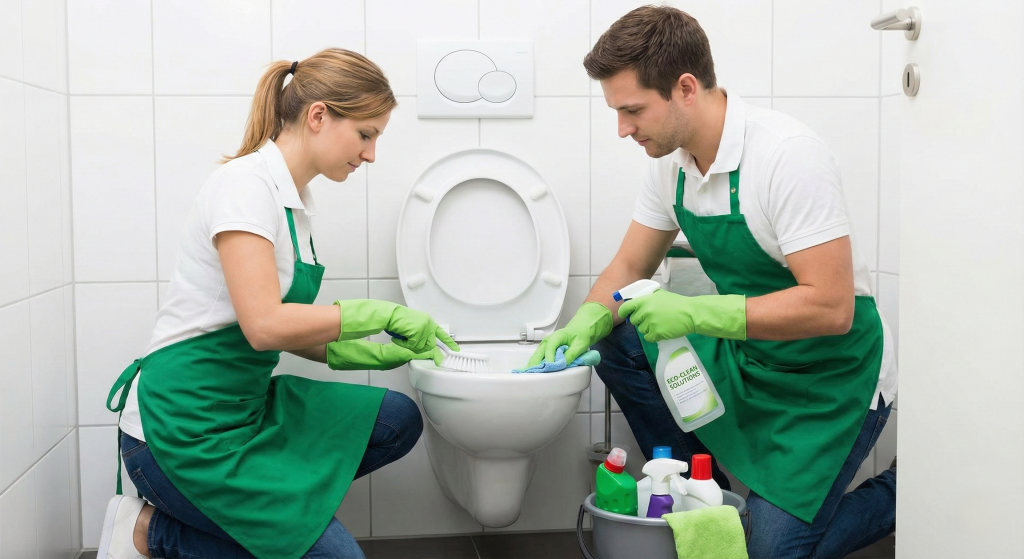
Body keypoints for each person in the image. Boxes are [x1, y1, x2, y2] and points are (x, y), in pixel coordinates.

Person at [529, 7, 897, 558]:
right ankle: (706, 494)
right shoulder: (668, 161)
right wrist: (581, 322)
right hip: (751, 357)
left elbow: (831, 307)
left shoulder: (786, 157)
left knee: (766, 554)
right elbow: (627, 270)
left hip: (830, 378)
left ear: (684, 88)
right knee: (617, 332)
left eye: (632, 110)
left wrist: (696, 313)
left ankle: (901, 493)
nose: (623, 129)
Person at [98, 49, 457, 559]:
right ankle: (149, 531)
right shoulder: (243, 187)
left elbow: (286, 326)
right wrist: (379, 313)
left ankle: (280, 512)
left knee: (397, 418)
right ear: (318, 117)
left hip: (245, 407)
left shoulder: (295, 202)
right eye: (366, 134)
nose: (372, 153)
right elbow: (265, 325)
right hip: (180, 428)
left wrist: (371, 352)